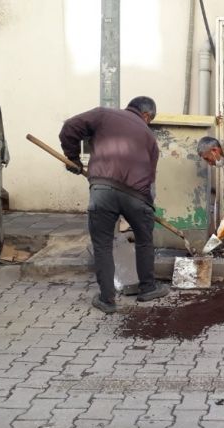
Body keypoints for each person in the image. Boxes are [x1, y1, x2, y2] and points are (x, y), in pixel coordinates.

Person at [59, 96, 167, 314]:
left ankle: (107, 300)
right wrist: (148, 208)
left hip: (103, 190)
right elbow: (150, 179)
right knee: (145, 241)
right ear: (146, 115)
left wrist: (73, 158)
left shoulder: (103, 114)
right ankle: (148, 289)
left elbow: (69, 127)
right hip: (138, 195)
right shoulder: (149, 137)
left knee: (102, 245)